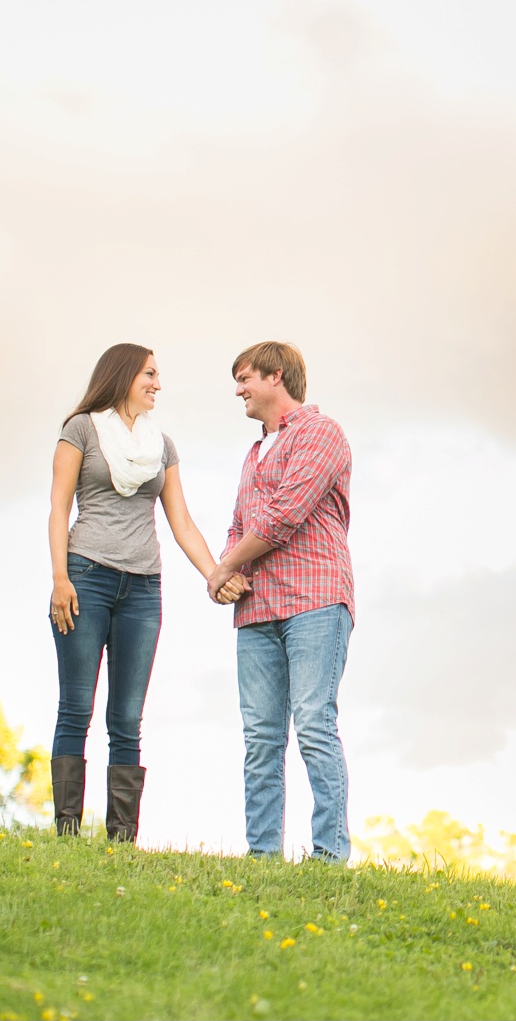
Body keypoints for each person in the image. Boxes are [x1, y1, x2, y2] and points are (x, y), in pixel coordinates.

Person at [47, 343, 247, 842]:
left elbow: (180, 521)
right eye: (149, 374)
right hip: (85, 577)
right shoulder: (81, 429)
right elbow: (58, 508)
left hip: (143, 589)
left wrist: (215, 573)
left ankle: (121, 839)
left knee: (127, 717)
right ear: (122, 376)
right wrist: (60, 578)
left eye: (158, 375)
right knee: (76, 707)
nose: (158, 383)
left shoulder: (163, 446)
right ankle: (67, 834)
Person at [209, 341, 354, 861]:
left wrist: (224, 567)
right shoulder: (254, 453)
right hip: (257, 611)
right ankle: (263, 856)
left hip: (315, 599)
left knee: (314, 722)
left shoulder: (322, 433)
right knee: (261, 739)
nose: (239, 390)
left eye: (245, 378)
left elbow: (283, 517)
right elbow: (239, 527)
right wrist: (225, 575)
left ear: (276, 377)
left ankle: (329, 855)